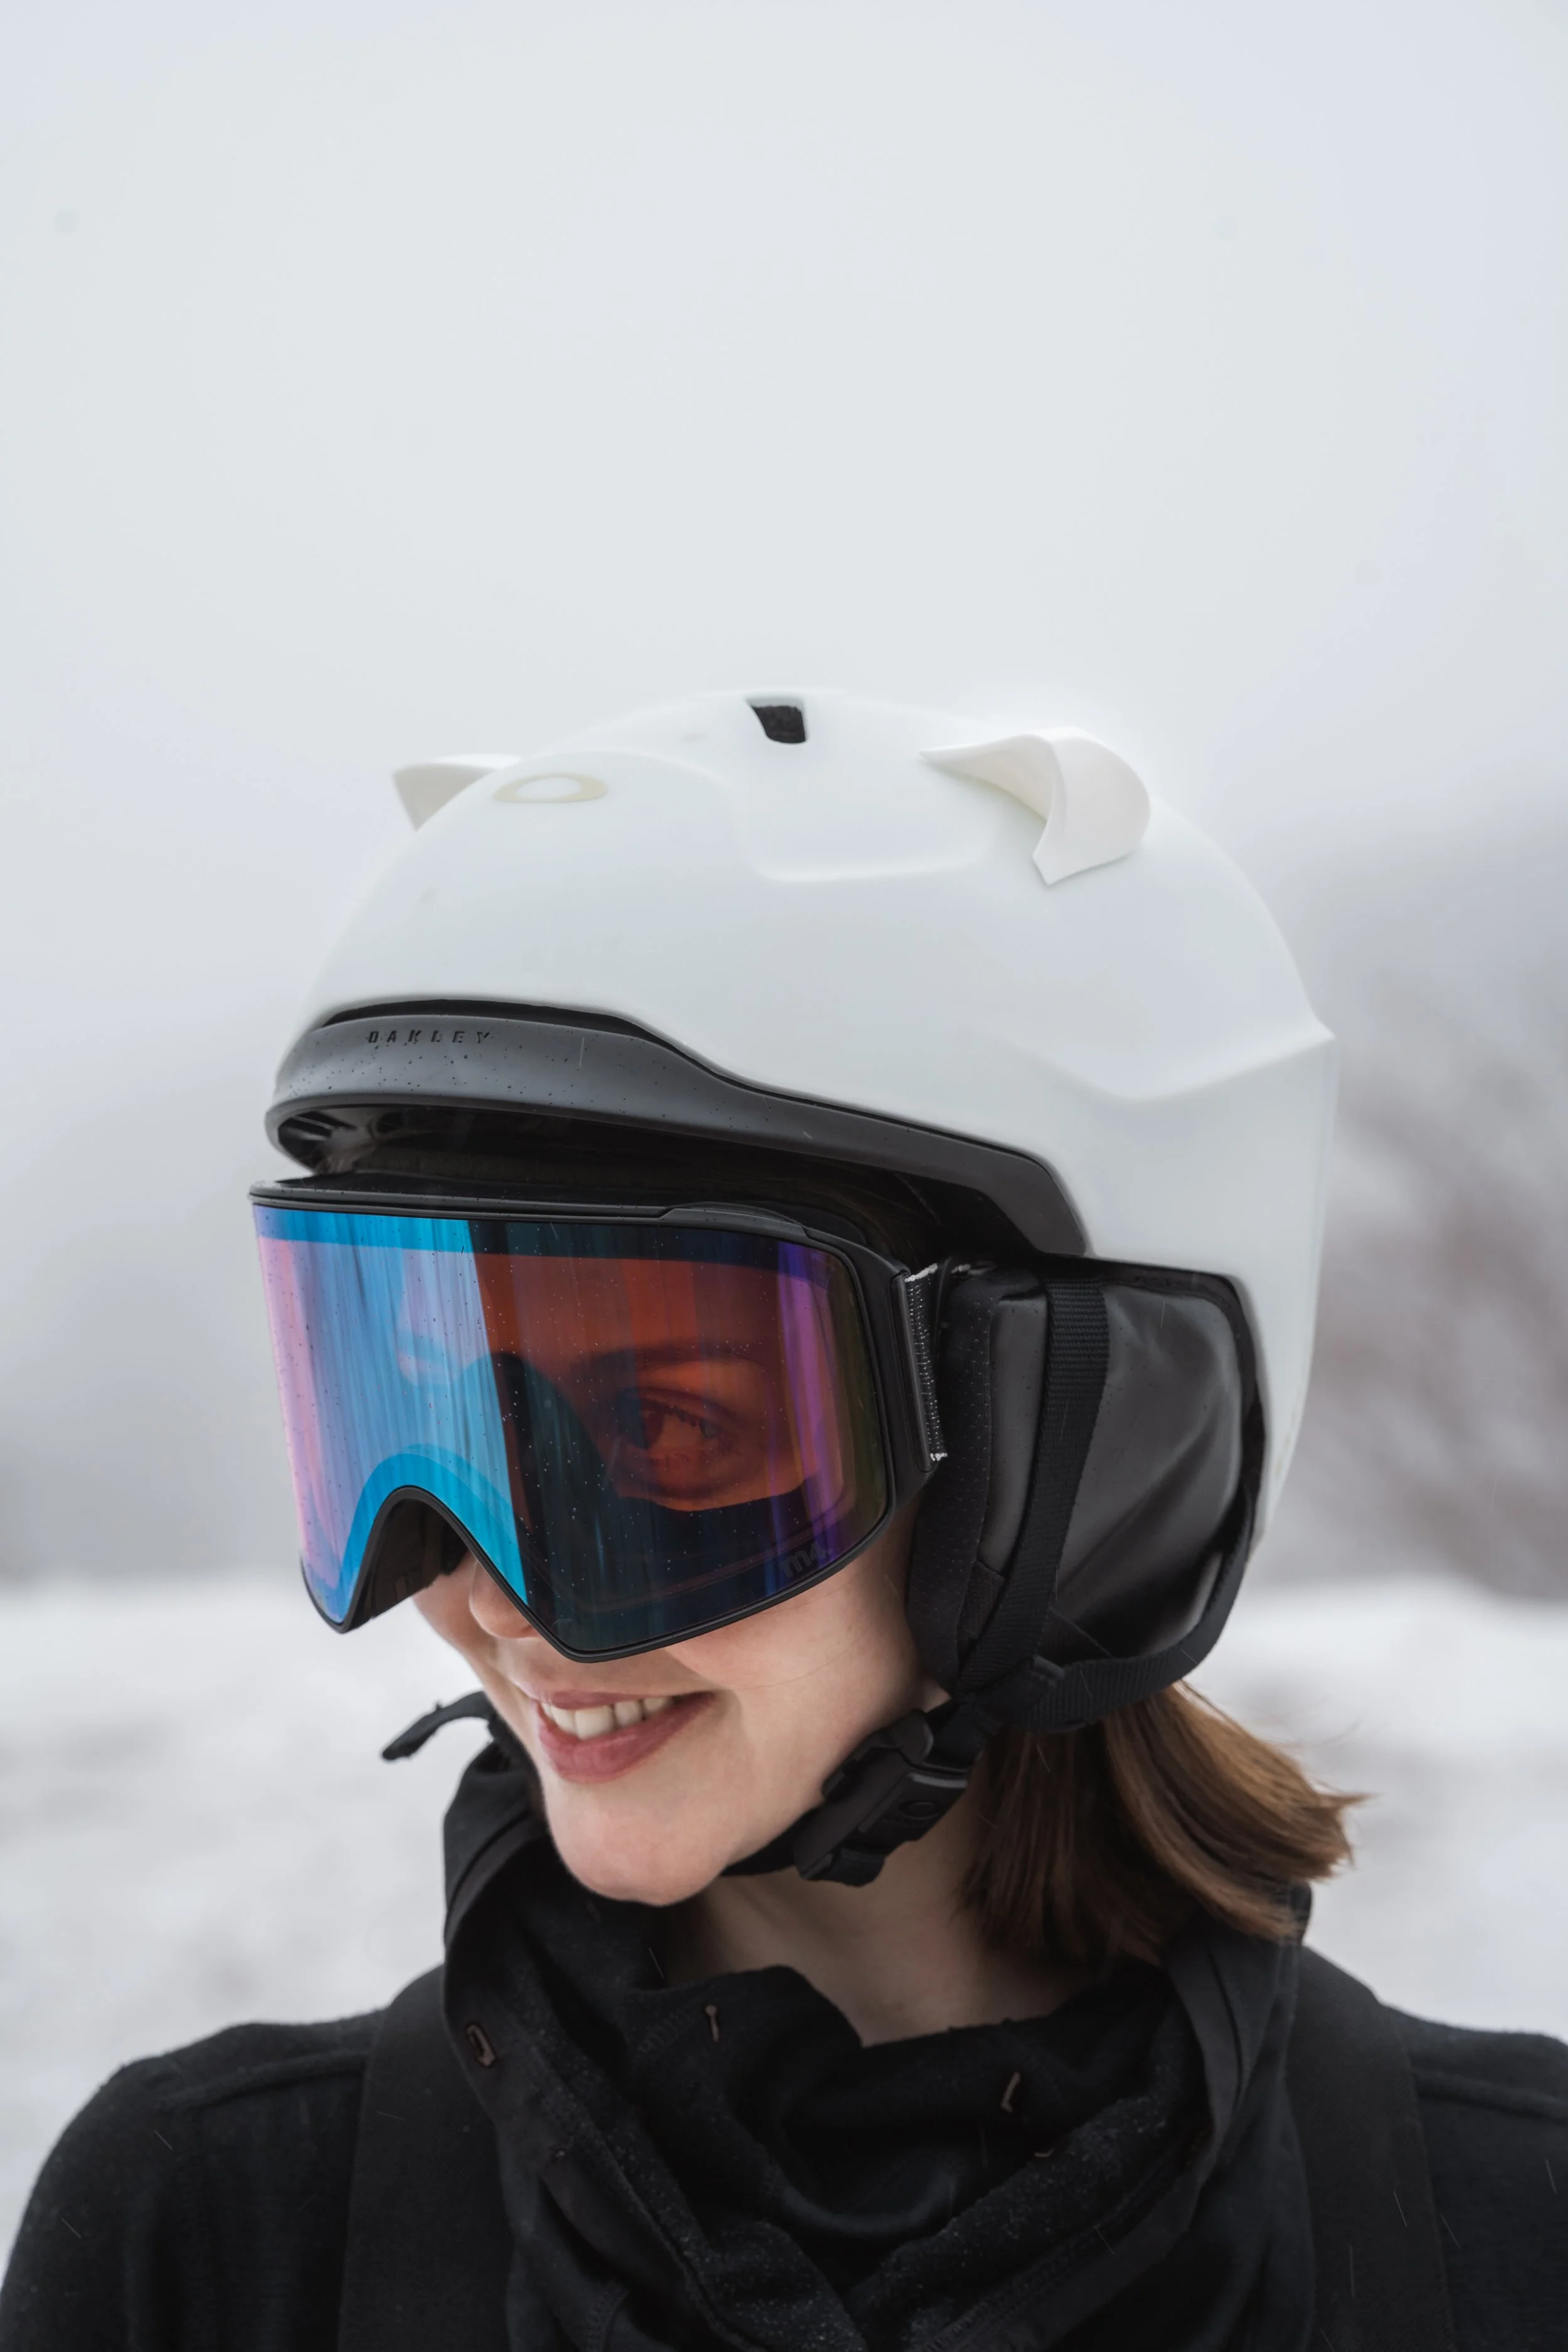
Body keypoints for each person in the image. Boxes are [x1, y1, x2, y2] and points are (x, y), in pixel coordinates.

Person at [4, 691, 1564, 2351]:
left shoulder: (1506, 2246)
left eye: (671, 1424)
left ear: (1079, 1453)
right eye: (438, 1421)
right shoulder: (216, 2244)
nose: (493, 1595)